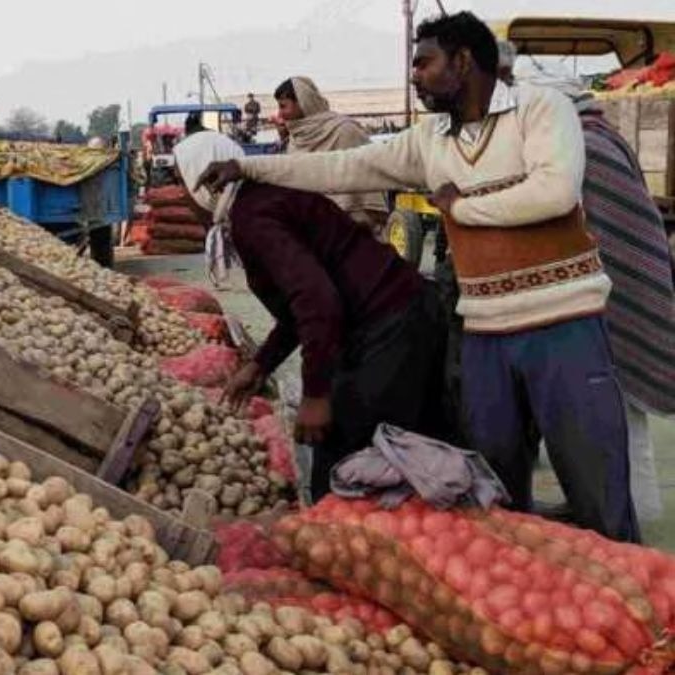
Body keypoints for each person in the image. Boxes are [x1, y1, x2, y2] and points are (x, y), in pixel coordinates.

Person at [195, 11, 639, 542]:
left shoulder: (541, 109)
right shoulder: (431, 139)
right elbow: (343, 167)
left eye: (424, 63)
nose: (414, 75)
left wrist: (460, 208)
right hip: (485, 335)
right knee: (497, 494)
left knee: (596, 484)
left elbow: (555, 191)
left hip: (562, 325)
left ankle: (640, 608)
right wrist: (250, 167)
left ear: (464, 61)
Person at [175, 131, 450, 501]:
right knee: (399, 455)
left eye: (182, 182)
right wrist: (261, 365)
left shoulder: (252, 216)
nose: (182, 196)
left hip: (390, 324)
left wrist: (316, 395)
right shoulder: (258, 201)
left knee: (347, 464)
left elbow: (317, 302)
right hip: (399, 315)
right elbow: (299, 308)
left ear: (204, 181)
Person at [545, 76, 675, 524]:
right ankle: (615, 506)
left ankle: (632, 512)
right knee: (606, 415)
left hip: (617, 293)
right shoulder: (596, 135)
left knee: (620, 416)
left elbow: (609, 227)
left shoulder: (587, 146)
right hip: (609, 288)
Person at [274, 77, 389, 233]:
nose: (279, 114)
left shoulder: (345, 131)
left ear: (303, 103)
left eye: (283, 106)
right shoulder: (295, 140)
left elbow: (369, 182)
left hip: (351, 231)